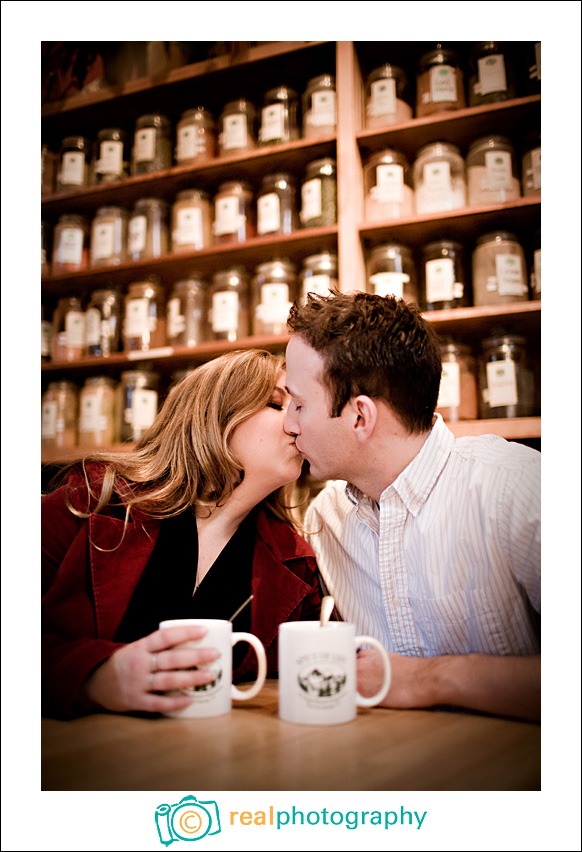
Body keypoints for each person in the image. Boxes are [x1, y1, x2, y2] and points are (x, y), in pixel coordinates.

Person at [284, 291, 541, 722]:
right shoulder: (324, 520)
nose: (289, 425)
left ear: (360, 417)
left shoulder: (514, 487)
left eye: (299, 404)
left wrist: (429, 678)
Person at [42, 349, 321, 719]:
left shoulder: (296, 563)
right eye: (276, 403)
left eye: (302, 408)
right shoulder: (92, 500)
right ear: (214, 416)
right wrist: (93, 676)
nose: (299, 423)